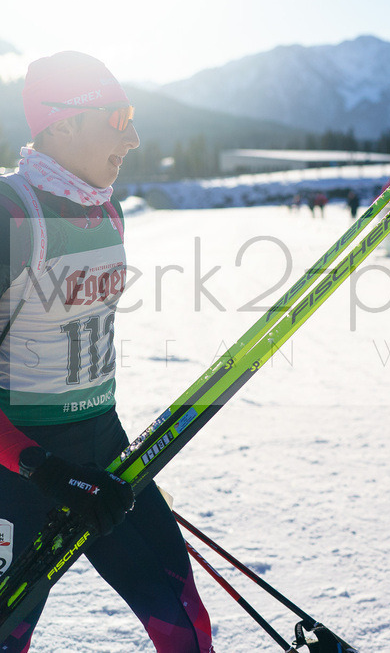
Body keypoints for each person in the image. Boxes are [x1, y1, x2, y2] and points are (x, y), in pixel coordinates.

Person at [0, 52, 214, 652]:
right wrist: (41, 466)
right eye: (118, 117)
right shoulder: (10, 211)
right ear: (63, 123)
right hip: (17, 471)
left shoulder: (107, 208)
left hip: (105, 454)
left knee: (185, 625)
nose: (135, 136)